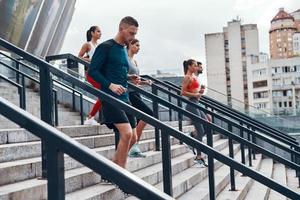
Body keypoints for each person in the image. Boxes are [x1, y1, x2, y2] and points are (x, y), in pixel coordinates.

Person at [88, 16, 139, 168]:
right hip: (110, 98)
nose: (133, 37)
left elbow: (118, 71)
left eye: (135, 34)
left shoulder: (123, 49)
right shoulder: (105, 47)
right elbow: (93, 72)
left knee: (134, 137)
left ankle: (112, 168)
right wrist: (109, 85)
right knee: (127, 133)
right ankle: (122, 176)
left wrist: (130, 77)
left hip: (125, 97)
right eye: (131, 33)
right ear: (121, 29)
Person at [127, 39, 153, 157]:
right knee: (148, 114)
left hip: (136, 92)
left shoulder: (135, 61)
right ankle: (133, 143)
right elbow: (123, 76)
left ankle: (134, 147)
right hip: (129, 92)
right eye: (137, 45)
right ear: (130, 45)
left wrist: (144, 82)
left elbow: (135, 80)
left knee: (139, 120)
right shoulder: (125, 59)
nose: (139, 47)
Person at [181, 59, 208, 167]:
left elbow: (194, 93)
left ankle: (191, 137)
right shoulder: (187, 77)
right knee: (201, 130)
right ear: (189, 66)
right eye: (195, 65)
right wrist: (195, 95)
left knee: (205, 126)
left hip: (196, 103)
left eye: (197, 66)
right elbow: (182, 92)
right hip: (191, 105)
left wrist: (200, 92)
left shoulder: (194, 77)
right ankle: (198, 156)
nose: (197, 67)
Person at [78, 26, 102, 125]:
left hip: (100, 73)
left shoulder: (100, 45)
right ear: (92, 33)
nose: (100, 33)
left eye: (100, 32)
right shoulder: (88, 45)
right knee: (104, 95)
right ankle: (90, 118)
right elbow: (79, 57)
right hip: (91, 73)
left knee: (104, 96)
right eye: (98, 31)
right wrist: (91, 60)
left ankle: (91, 118)